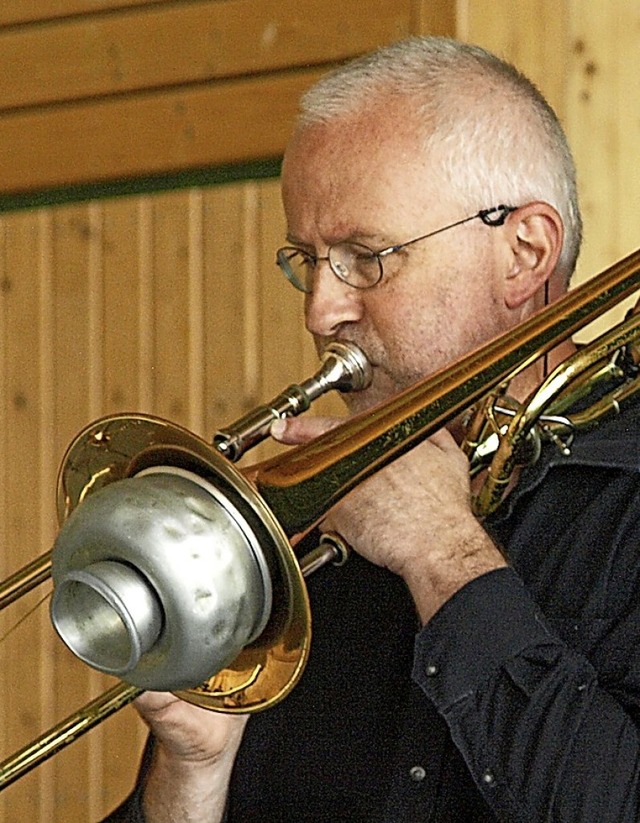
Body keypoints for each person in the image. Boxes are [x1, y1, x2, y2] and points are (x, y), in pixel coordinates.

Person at [106, 36, 640, 822]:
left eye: (366, 256)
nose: (321, 310)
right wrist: (193, 771)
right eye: (307, 260)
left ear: (526, 252)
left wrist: (444, 555)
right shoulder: (313, 539)